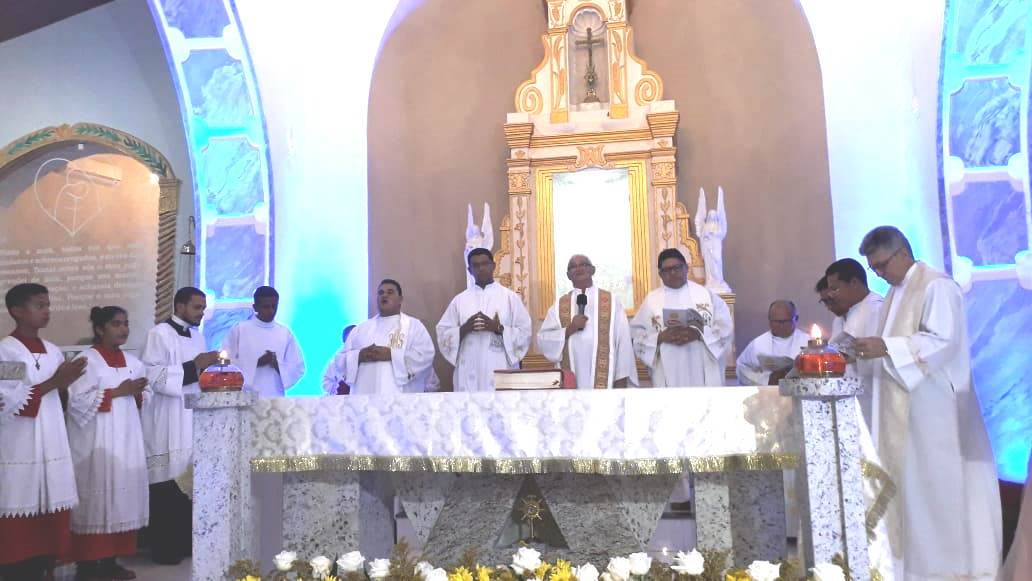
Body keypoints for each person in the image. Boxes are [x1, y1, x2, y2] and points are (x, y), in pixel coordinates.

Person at [854, 226, 1000, 580]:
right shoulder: (895, 291)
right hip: (906, 408)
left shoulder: (937, 285)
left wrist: (887, 347)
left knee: (937, 489)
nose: (879, 274)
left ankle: (947, 570)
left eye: (881, 265)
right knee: (911, 492)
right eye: (874, 268)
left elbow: (943, 341)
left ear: (902, 252)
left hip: (936, 409)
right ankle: (912, 568)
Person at [0, 284, 83, 580]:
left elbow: (62, 399)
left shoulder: (53, 351)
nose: (47, 311)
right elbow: (8, 401)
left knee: (52, 511)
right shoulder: (6, 350)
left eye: (48, 304)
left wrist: (66, 384)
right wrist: (56, 381)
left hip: (52, 439)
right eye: (39, 305)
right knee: (19, 512)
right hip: (19, 443)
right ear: (17, 311)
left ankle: (48, 565)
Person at [65, 306, 149, 581]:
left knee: (121, 499)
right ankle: (88, 566)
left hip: (126, 439)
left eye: (126, 323)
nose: (124, 329)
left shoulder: (134, 362)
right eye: (116, 324)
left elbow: (145, 398)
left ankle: (112, 561)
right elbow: (75, 402)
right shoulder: (86, 361)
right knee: (96, 498)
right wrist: (117, 392)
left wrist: (140, 393)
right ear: (100, 329)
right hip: (95, 441)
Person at [140, 286, 218, 565]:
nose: (201, 313)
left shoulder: (198, 335)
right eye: (197, 307)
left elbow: (199, 373)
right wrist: (194, 365)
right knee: (166, 483)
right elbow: (151, 375)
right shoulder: (158, 334)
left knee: (189, 481)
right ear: (180, 306)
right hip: (167, 417)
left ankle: (186, 541)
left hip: (191, 416)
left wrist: (210, 370)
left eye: (204, 308)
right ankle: (164, 547)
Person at [630, 248, 734, 386]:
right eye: (667, 270)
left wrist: (699, 334)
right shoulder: (651, 301)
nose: (673, 273)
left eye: (677, 268)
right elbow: (636, 335)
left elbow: (725, 328)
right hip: (667, 371)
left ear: (686, 268)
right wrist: (660, 337)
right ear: (660, 274)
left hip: (701, 370)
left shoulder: (707, 296)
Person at [437, 248, 532, 391]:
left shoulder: (510, 298)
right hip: (469, 367)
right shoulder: (459, 300)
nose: (481, 268)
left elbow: (525, 332)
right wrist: (464, 328)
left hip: (500, 365)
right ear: (470, 270)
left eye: (485, 264)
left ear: (493, 266)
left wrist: (498, 328)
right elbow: (443, 333)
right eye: (475, 265)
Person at [537, 254, 637, 389]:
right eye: (573, 266)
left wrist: (621, 378)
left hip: (607, 383)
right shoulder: (559, 306)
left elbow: (623, 343)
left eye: (583, 264)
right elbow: (544, 339)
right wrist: (570, 329)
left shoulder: (611, 302)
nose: (578, 269)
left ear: (592, 270)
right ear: (568, 275)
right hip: (571, 381)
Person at [330, 279, 435, 394]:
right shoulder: (361, 329)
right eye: (380, 293)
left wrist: (391, 355)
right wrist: (360, 356)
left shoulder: (414, 326)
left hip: (400, 401)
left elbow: (425, 356)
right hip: (364, 399)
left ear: (400, 299)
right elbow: (339, 360)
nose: (384, 295)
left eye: (390, 292)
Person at [824, 258, 883, 427]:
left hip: (872, 391)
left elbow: (864, 353)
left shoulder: (875, 308)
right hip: (852, 393)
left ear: (854, 283)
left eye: (835, 288)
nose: (831, 295)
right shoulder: (847, 313)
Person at [222, 286, 305, 397]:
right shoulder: (240, 330)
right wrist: (256, 363)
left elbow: (298, 367)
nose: (271, 311)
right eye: (266, 307)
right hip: (244, 396)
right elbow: (224, 363)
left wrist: (277, 364)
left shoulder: (285, 333)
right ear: (255, 307)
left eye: (274, 306)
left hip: (275, 396)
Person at [735, 300, 809, 386]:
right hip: (768, 393)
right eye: (776, 321)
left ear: (796, 319)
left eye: (785, 321)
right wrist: (766, 380)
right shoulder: (757, 344)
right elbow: (742, 368)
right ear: (769, 320)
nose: (781, 325)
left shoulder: (807, 342)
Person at [322, 325, 356, 395]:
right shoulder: (335, 361)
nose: (351, 344)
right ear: (344, 341)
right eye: (348, 341)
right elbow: (326, 382)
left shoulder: (367, 357)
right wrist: (338, 388)